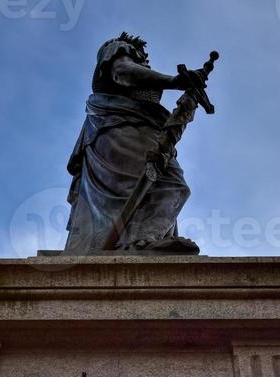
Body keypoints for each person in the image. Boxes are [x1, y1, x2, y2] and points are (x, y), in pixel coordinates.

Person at [63, 33, 205, 254]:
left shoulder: (134, 70)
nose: (145, 62)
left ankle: (142, 238)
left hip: (137, 127)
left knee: (167, 186)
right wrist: (174, 81)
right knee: (169, 184)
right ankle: (143, 240)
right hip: (120, 125)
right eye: (142, 58)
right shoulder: (119, 48)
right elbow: (123, 72)